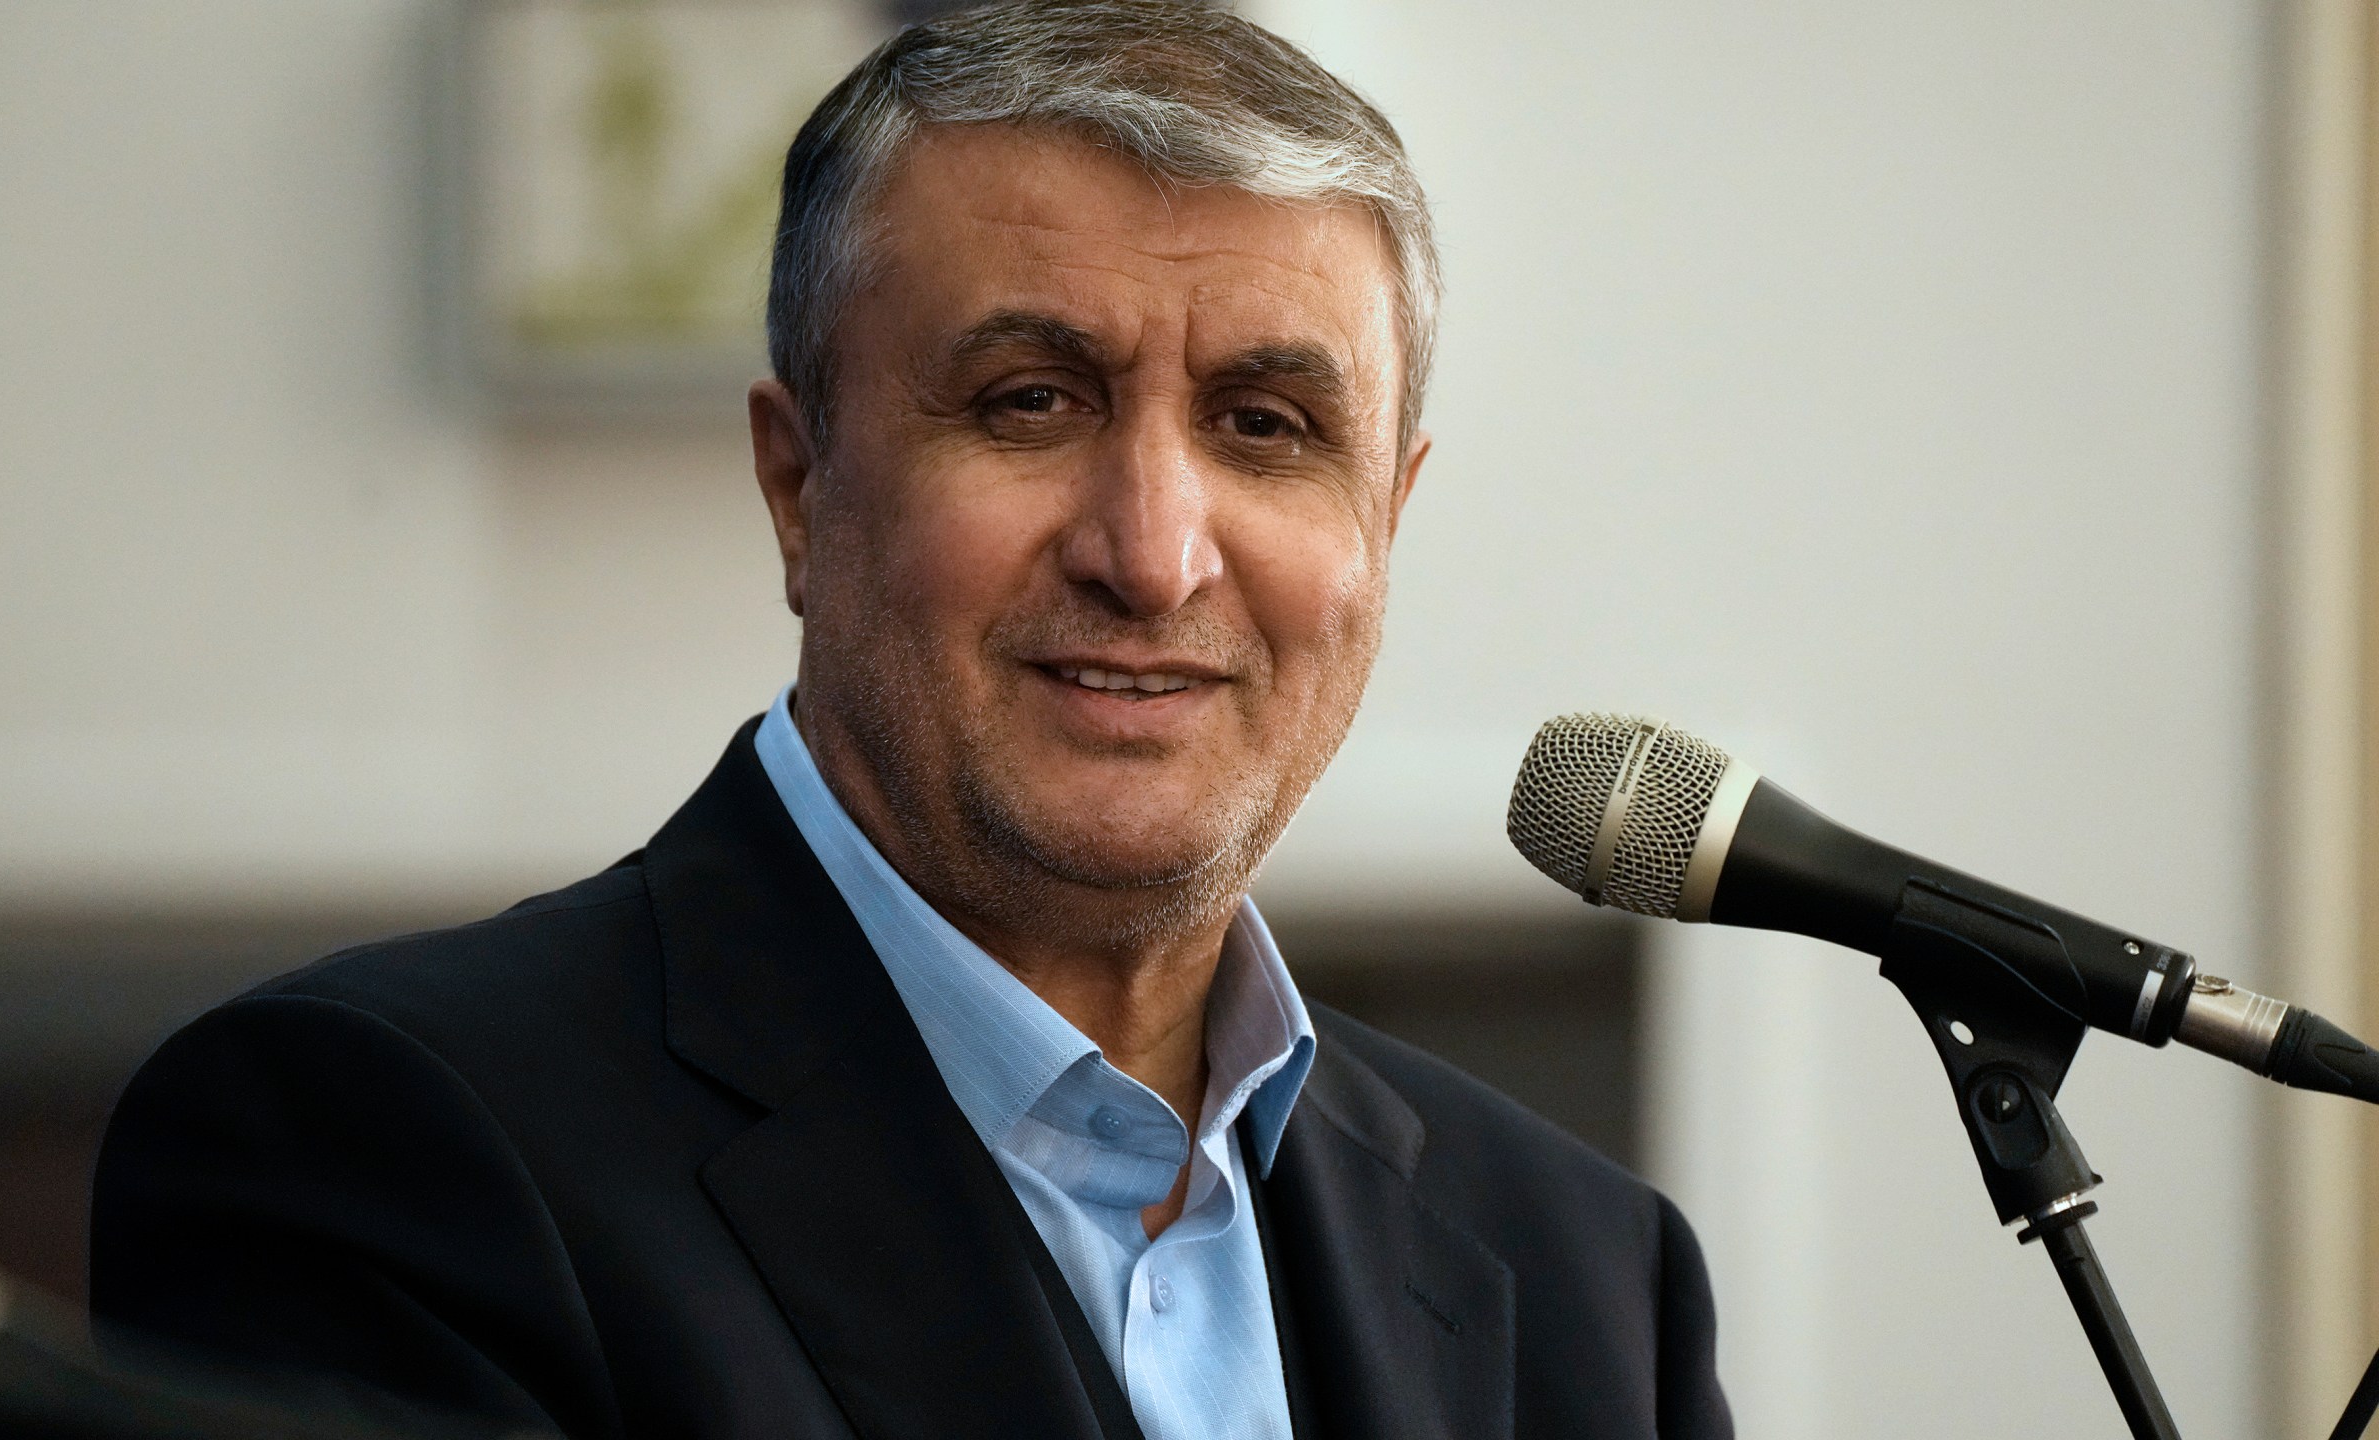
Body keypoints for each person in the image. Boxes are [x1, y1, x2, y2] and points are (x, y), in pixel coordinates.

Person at [90, 5, 1733, 1438]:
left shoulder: (1590, 1278)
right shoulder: (377, 1155)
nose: (1153, 554)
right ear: (800, 488)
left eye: (1266, 425)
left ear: (1387, 525)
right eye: (1032, 401)